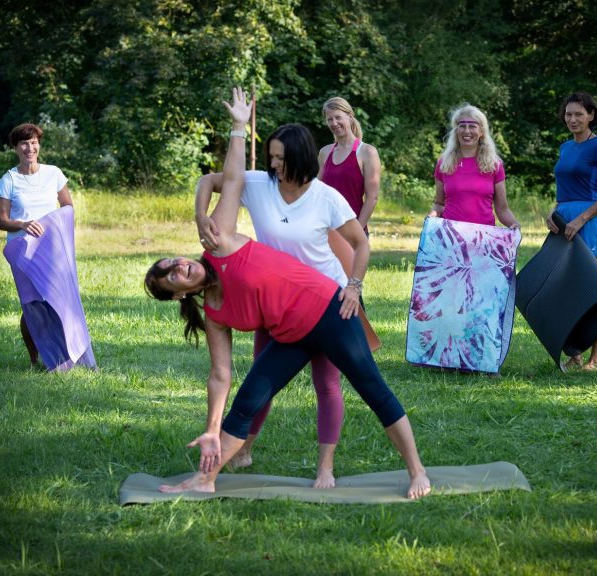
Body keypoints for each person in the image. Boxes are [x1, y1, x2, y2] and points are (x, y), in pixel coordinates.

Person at [150, 87, 430, 499]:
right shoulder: (214, 310)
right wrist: (211, 428)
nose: (179, 267)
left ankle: (417, 471)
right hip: (289, 330)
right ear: (178, 296)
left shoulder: (223, 242)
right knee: (249, 397)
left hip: (330, 310)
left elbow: (228, 180)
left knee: (371, 388)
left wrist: (238, 128)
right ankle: (205, 479)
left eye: (172, 262)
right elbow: (220, 375)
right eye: (172, 276)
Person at [195, 123, 369, 489]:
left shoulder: (326, 198)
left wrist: (353, 287)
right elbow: (209, 182)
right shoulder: (258, 185)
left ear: (300, 159)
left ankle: (325, 467)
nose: (273, 164)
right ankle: (243, 450)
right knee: (263, 379)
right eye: (271, 156)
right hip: (272, 302)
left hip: (324, 303)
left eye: (279, 158)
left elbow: (359, 243)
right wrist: (201, 216)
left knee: (326, 384)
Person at [0, 123, 96, 371]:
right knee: (32, 303)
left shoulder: (54, 174)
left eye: (34, 142)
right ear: (16, 148)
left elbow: (67, 207)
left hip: (51, 247)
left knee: (57, 298)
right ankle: (35, 357)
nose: (30, 148)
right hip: (23, 250)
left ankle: (66, 355)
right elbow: (2, 221)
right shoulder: (9, 180)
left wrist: (53, 226)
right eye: (24, 143)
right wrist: (24, 224)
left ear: (39, 145)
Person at [546, 92, 597, 371]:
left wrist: (581, 219)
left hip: (589, 220)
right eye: (568, 114)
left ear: (591, 115)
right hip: (564, 218)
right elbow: (564, 190)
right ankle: (575, 352)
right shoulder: (565, 147)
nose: (573, 119)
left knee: (592, 289)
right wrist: (553, 215)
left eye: (579, 114)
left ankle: (596, 358)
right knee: (566, 286)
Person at [428, 104, 520, 229]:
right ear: (456, 131)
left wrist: (514, 225)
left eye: (472, 126)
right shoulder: (444, 163)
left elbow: (502, 210)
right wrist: (431, 218)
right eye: (462, 126)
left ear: (481, 132)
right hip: (450, 237)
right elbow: (439, 204)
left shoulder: (494, 165)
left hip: (483, 238)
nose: (467, 131)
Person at [318, 97, 381, 236]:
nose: (334, 123)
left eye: (338, 117)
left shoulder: (367, 152)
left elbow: (372, 197)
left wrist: (356, 231)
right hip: (326, 231)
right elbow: (317, 193)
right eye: (330, 119)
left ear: (350, 117)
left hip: (353, 231)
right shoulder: (325, 152)